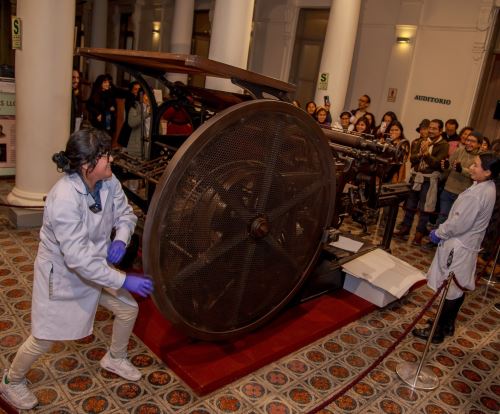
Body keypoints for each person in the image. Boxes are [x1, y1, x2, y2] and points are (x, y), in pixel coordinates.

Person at [0, 129, 154, 410]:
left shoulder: (108, 181)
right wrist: (123, 280)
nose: (110, 159)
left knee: (127, 309)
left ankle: (115, 357)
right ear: (86, 165)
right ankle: (12, 380)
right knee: (44, 338)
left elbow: (126, 214)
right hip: (64, 275)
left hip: (96, 267)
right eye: (104, 155)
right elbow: (78, 260)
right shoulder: (64, 198)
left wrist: (121, 238)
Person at [413, 151, 499, 343]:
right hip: (468, 245)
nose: (471, 167)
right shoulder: (488, 186)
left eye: (476, 165)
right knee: (457, 287)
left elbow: (459, 224)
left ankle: (436, 331)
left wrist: (439, 233)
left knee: (450, 289)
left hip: (459, 246)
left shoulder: (477, 195)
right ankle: (447, 324)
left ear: (488, 172)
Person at [395, 119, 449, 245]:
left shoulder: (443, 145)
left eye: (434, 128)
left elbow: (437, 164)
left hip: (429, 180)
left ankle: (419, 234)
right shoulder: (421, 141)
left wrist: (426, 154)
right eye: (430, 128)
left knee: (425, 209)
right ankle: (405, 229)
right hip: (416, 177)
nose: (431, 130)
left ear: (440, 131)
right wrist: (421, 154)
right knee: (410, 205)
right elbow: (412, 159)